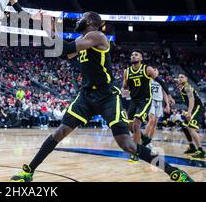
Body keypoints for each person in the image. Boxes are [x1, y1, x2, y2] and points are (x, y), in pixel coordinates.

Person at [10, 11, 193, 182]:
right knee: (60, 132)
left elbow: (64, 48)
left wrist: (46, 26)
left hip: (107, 95)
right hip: (87, 95)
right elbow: (63, 53)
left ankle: (174, 172)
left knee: (127, 145)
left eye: (81, 17)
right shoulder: (84, 40)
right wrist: (46, 28)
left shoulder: (96, 36)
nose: (77, 20)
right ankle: (29, 172)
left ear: (90, 22)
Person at [122, 50, 172, 162]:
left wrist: (169, 96)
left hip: (145, 100)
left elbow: (161, 82)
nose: (133, 56)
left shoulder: (147, 69)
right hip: (133, 100)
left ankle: (136, 153)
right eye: (132, 54)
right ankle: (145, 139)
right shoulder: (127, 71)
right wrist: (124, 89)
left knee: (136, 124)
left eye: (136, 54)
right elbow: (125, 85)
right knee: (130, 127)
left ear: (141, 58)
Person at [144, 69, 175, 148]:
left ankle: (149, 142)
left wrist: (167, 105)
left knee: (155, 124)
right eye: (153, 70)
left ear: (157, 72)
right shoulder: (148, 79)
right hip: (151, 101)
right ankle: (143, 140)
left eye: (155, 70)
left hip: (159, 102)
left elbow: (164, 94)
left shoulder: (161, 81)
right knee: (151, 120)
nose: (154, 71)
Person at [177, 73, 205, 160]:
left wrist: (189, 112)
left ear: (186, 79)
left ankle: (201, 151)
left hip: (198, 107)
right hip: (194, 108)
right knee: (184, 126)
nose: (180, 78)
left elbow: (191, 100)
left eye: (182, 77)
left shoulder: (187, 87)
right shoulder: (182, 87)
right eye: (179, 77)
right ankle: (192, 146)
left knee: (191, 128)